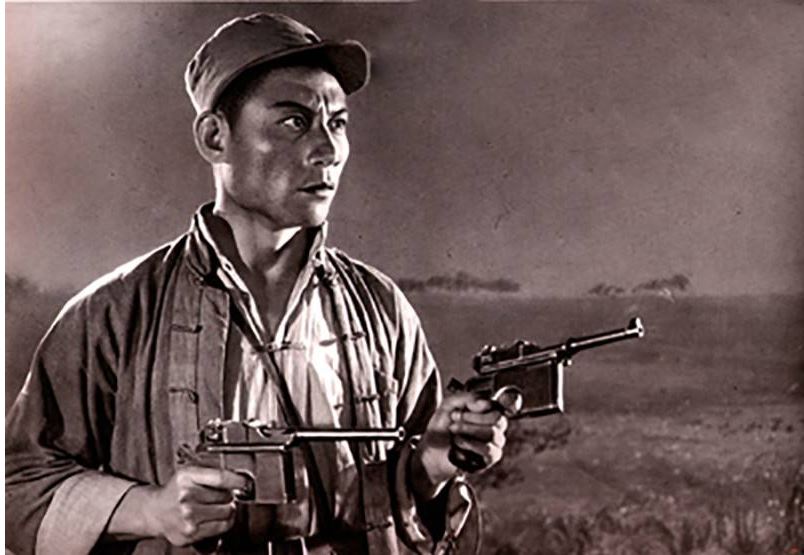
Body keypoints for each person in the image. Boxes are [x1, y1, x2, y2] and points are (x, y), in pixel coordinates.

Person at [5, 13, 508, 555]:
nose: (328, 149)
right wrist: (149, 509)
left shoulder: (380, 309)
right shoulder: (115, 313)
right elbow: (16, 493)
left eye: (338, 123)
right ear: (214, 137)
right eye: (294, 121)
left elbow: (408, 501)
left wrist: (431, 465)